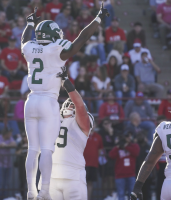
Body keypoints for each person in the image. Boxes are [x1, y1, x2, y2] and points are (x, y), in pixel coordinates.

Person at [21, 4, 109, 199]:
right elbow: (82, 38)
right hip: (48, 101)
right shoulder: (56, 49)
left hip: (31, 99)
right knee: (46, 149)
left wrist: (29, 23)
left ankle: (30, 190)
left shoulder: (30, 47)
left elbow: (25, 40)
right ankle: (44, 191)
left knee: (32, 149)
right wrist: (98, 19)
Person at [48, 71, 94, 200]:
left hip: (72, 174)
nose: (71, 104)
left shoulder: (82, 122)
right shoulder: (54, 119)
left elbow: (79, 106)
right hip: (53, 175)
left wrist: (67, 83)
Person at [109, 133, 140, 200]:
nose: (128, 138)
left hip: (131, 175)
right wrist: (117, 146)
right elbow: (111, 155)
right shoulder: (118, 147)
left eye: (129, 136)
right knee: (121, 194)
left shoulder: (134, 145)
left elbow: (136, 153)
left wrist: (126, 146)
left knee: (132, 195)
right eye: (126, 137)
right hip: (120, 175)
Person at [84, 129, 104, 200]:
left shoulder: (98, 137)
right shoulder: (83, 134)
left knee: (90, 183)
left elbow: (100, 149)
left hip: (93, 164)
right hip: (83, 164)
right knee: (82, 183)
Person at [15, 133, 28, 199]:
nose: (25, 138)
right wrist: (23, 147)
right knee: (22, 180)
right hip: (21, 164)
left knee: (30, 180)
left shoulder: (32, 143)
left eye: (26, 137)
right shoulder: (20, 144)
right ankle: (22, 196)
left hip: (30, 164)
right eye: (23, 137)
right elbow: (17, 153)